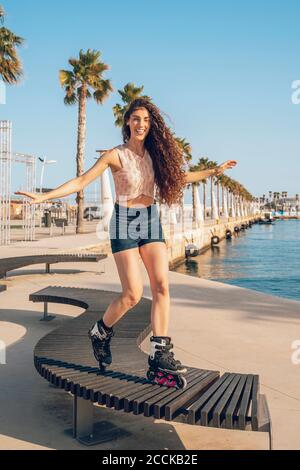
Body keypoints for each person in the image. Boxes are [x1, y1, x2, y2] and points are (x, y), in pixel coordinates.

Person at [15, 98, 237, 388]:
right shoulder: (115, 156)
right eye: (135, 119)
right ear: (127, 123)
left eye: (145, 119)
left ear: (151, 123)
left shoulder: (155, 156)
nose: (141, 124)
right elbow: (81, 181)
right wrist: (44, 197)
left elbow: (181, 177)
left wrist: (214, 171)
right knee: (132, 294)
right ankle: (101, 331)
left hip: (150, 218)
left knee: (161, 286)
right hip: (124, 221)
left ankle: (160, 353)